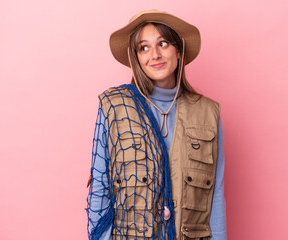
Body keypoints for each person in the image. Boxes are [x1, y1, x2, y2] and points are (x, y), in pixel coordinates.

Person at [86, 9, 226, 240]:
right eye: (144, 47)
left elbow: (216, 193)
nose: (154, 55)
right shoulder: (114, 107)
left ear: (178, 50)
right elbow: (100, 188)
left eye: (163, 44)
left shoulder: (208, 113)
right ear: (136, 58)